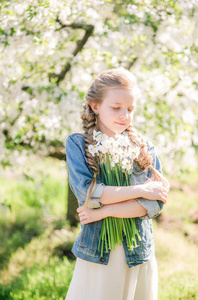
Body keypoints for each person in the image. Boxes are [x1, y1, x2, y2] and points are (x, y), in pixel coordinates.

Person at [65, 68, 169, 300]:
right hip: (99, 252)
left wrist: (103, 212)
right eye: (116, 107)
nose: (125, 115)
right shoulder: (78, 144)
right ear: (95, 106)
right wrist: (141, 190)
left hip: (138, 251)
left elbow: (154, 204)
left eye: (130, 109)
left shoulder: (143, 146)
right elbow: (88, 193)